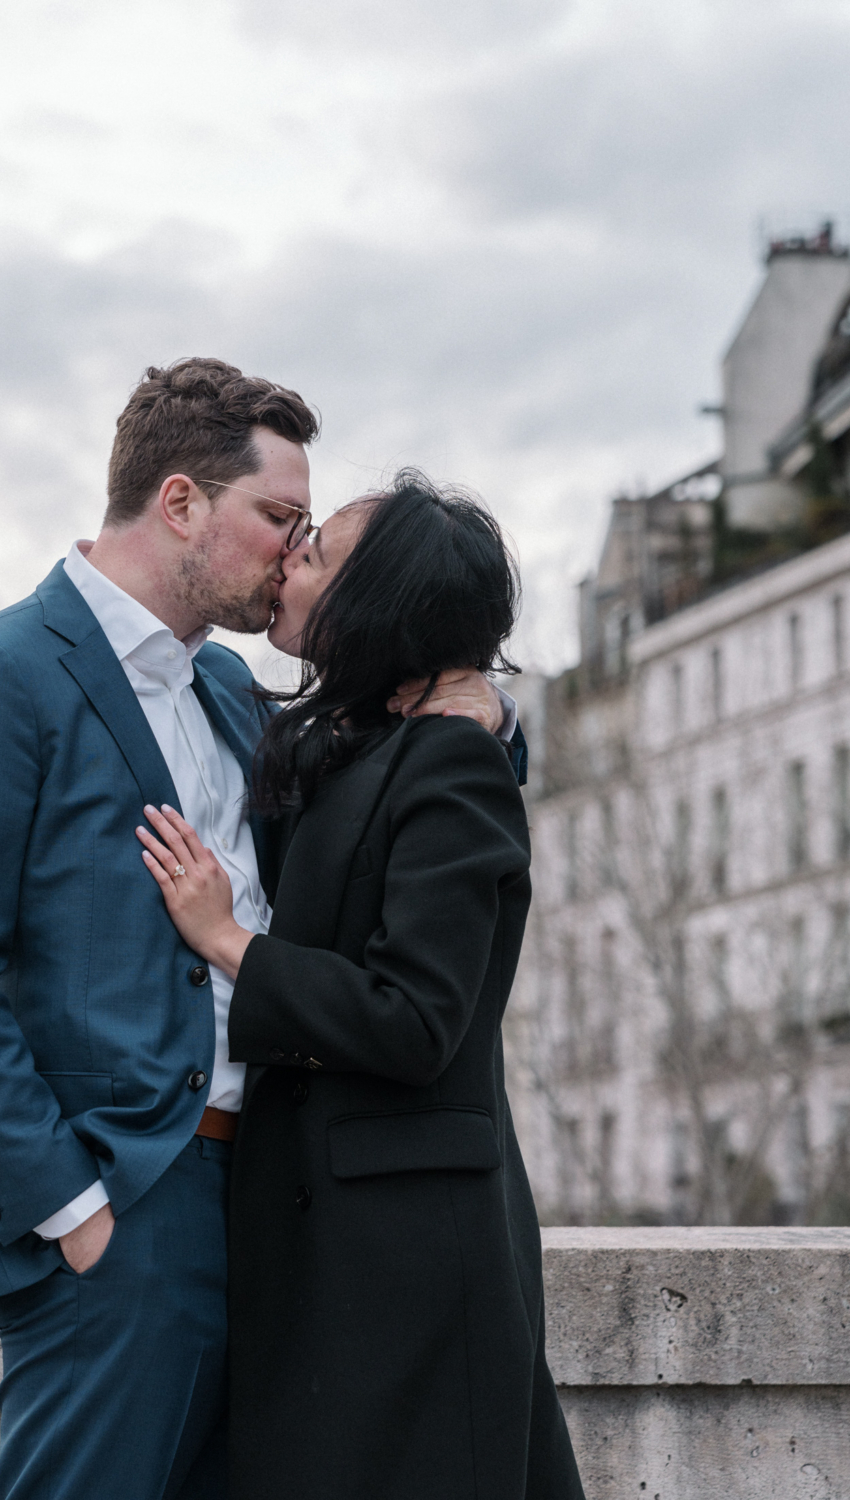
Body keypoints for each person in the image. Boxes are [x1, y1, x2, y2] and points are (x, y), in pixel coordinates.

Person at [0, 363, 522, 1500]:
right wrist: (72, 1212)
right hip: (118, 1215)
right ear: (179, 503)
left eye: (305, 528)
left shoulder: (224, 691)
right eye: (275, 518)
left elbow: (400, 784)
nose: (288, 551)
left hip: (265, 1214)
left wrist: (491, 708)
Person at [137, 472, 585, 1500]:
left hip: (407, 1268)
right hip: (321, 1249)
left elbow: (415, 1017)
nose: (290, 557)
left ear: (378, 600)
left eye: (318, 552)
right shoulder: (341, 743)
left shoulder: (447, 761)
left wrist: (228, 942)